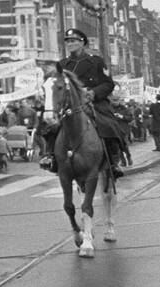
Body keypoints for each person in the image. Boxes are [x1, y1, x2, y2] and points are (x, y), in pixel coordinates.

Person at [53, 28, 126, 176]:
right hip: (70, 104)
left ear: (82, 43)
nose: (70, 44)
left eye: (73, 41)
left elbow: (108, 83)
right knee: (50, 125)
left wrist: (93, 93)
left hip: (93, 102)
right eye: (68, 41)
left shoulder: (95, 61)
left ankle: (113, 161)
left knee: (109, 124)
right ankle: (50, 157)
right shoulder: (62, 64)